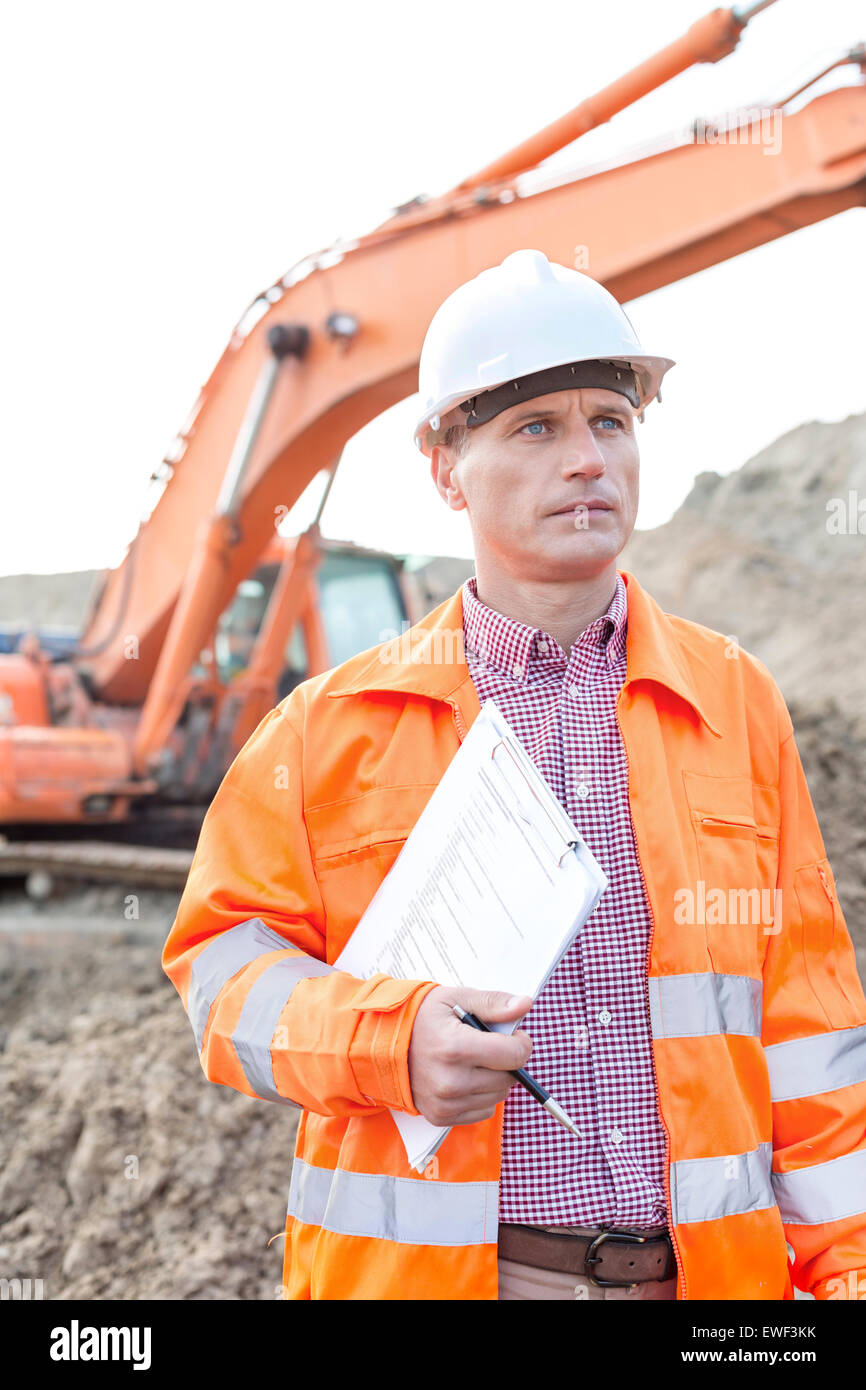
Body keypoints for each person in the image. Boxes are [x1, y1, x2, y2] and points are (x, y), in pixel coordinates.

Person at [162, 249, 866, 1301]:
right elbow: (220, 977)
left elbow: (806, 1024)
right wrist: (386, 1043)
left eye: (609, 422)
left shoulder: (735, 702)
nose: (586, 459)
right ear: (443, 466)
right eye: (535, 427)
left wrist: (844, 1275)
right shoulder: (324, 732)